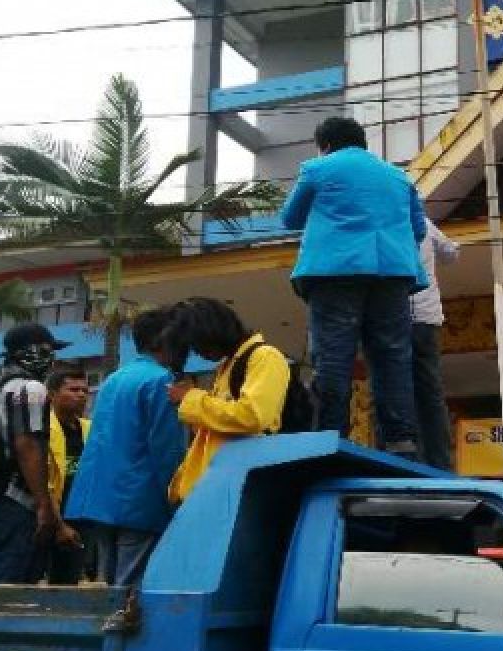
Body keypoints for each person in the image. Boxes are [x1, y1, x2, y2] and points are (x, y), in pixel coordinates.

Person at [279, 117, 427, 456]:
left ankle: (329, 437)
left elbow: (290, 218)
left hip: (335, 272)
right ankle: (400, 439)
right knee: (392, 357)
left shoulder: (318, 168)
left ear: (326, 145)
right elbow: (417, 230)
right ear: (362, 142)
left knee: (333, 355)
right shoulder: (398, 176)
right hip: (392, 272)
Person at [66, 308, 189, 586]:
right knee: (131, 591)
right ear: (165, 340)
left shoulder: (115, 378)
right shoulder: (162, 381)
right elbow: (166, 450)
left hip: (101, 499)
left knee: (112, 585)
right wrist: (178, 499)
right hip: (140, 500)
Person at [0, 323, 80, 584]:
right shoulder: (30, 389)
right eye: (46, 352)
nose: (52, 360)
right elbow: (28, 446)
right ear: (28, 352)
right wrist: (44, 505)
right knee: (11, 585)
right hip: (18, 499)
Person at [164, 298, 290, 505]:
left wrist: (191, 399)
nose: (200, 353)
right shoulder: (228, 366)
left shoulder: (265, 357)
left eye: (198, 345)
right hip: (217, 487)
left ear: (212, 333)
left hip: (240, 487)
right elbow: (219, 428)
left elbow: (252, 416)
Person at [409, 219, 459, 470]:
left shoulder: (384, 219)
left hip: (394, 319)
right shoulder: (424, 223)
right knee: (430, 391)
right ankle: (439, 461)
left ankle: (406, 457)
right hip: (426, 318)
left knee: (394, 390)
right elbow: (450, 254)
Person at [44, 366, 91, 585]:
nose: (81, 395)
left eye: (84, 390)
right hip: (49, 516)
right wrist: (59, 524)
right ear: (52, 394)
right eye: (73, 389)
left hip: (80, 519)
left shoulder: (90, 429)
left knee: (68, 580)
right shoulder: (42, 429)